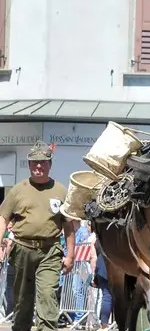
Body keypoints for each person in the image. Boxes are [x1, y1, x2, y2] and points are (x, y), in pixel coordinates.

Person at [0, 141, 76, 331]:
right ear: (29, 164)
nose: (38, 166)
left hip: (50, 251)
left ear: (50, 164)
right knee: (22, 301)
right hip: (22, 250)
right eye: (34, 162)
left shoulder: (60, 190)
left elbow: (68, 226)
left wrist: (70, 255)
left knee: (47, 297)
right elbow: (2, 219)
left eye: (43, 162)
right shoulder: (18, 190)